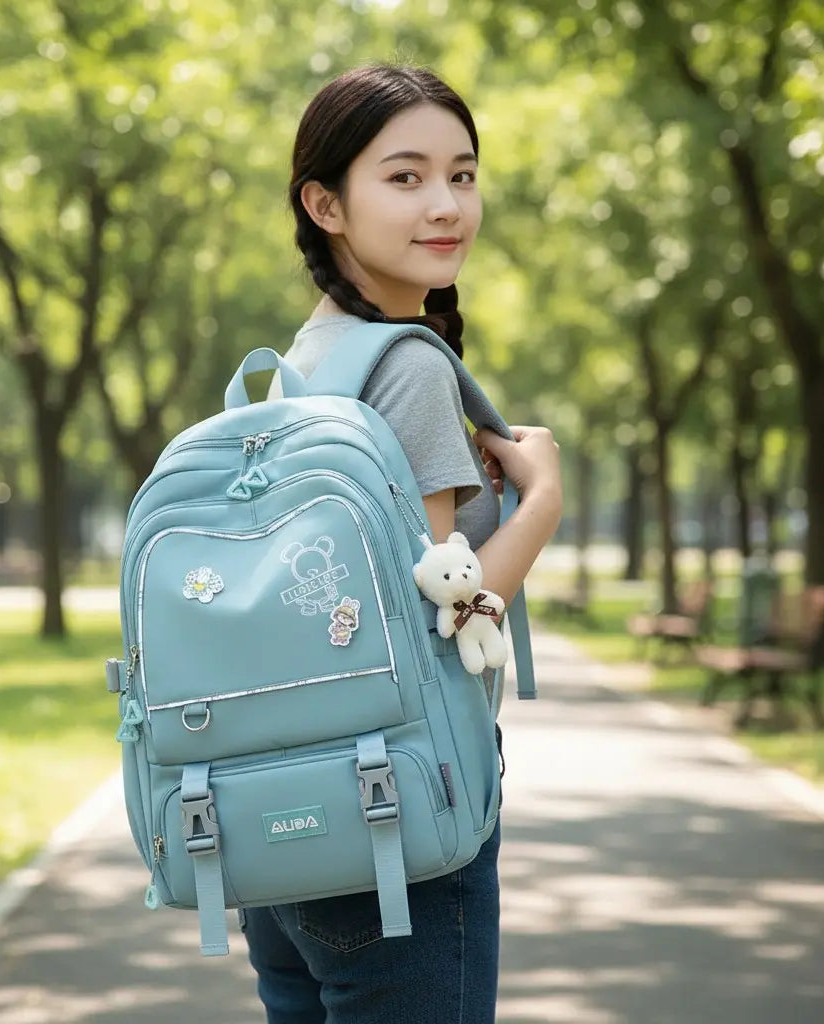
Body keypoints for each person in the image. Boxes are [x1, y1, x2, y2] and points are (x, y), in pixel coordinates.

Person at [245, 63, 563, 1024]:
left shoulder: (300, 359)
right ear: (324, 203)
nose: (446, 205)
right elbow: (438, 614)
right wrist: (542, 500)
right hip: (398, 830)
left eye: (463, 176)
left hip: (281, 833)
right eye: (406, 176)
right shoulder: (414, 365)